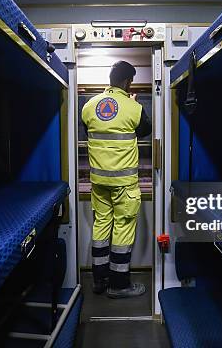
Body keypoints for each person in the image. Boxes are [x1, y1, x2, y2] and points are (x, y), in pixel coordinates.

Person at [81, 60, 152, 298]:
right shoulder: (133, 108)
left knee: (101, 226)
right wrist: (133, 104)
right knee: (122, 229)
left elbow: (88, 132)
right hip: (123, 184)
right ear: (126, 82)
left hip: (98, 182)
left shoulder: (89, 106)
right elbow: (145, 130)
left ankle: (99, 281)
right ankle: (119, 285)